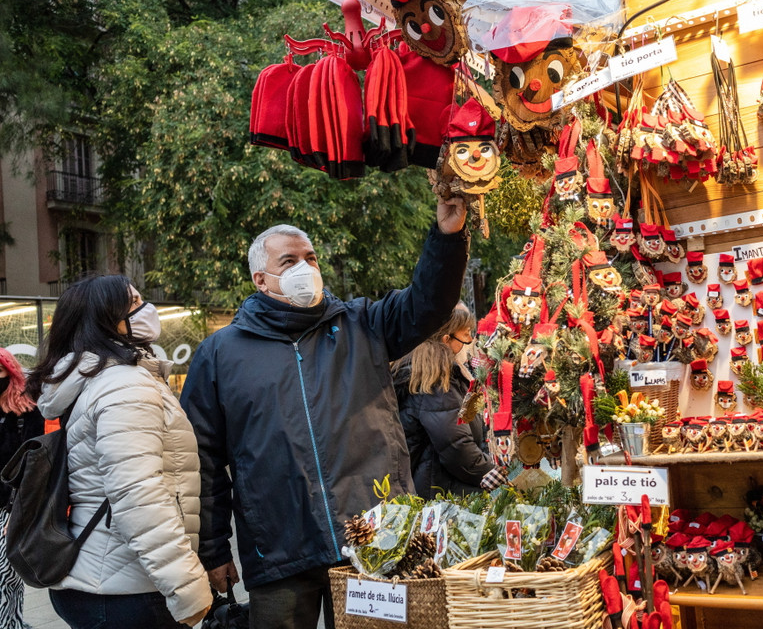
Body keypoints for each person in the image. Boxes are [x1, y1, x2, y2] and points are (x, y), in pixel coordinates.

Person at [180, 194, 468, 629]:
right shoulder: (220, 354)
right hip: (277, 551)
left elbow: (428, 303)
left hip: (374, 539)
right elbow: (201, 459)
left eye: (310, 257)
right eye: (289, 261)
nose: (305, 269)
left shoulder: (363, 324)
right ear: (261, 278)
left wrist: (447, 238)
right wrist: (214, 550)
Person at [25, 275, 212, 629]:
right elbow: (139, 495)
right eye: (136, 302)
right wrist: (186, 588)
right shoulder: (124, 386)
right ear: (107, 319)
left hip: (102, 578)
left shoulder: (100, 379)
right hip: (128, 591)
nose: (148, 308)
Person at [392, 302, 504, 498]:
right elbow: (457, 447)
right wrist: (496, 475)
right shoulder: (435, 381)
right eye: (466, 334)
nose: (471, 339)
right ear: (446, 340)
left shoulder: (442, 374)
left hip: (441, 486)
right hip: (440, 493)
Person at [0, 348, 44, 628]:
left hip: (10, 508)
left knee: (5, 578)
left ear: (10, 372)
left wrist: (21, 514)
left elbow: (35, 464)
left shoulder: (25, 410)